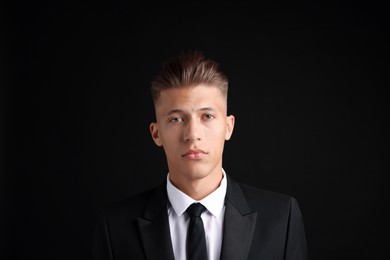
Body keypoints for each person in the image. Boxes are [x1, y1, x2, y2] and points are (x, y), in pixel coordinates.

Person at [93, 50, 308, 260]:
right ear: (156, 133)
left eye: (207, 116)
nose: (193, 135)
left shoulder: (281, 218)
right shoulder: (115, 226)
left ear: (228, 127)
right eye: (176, 119)